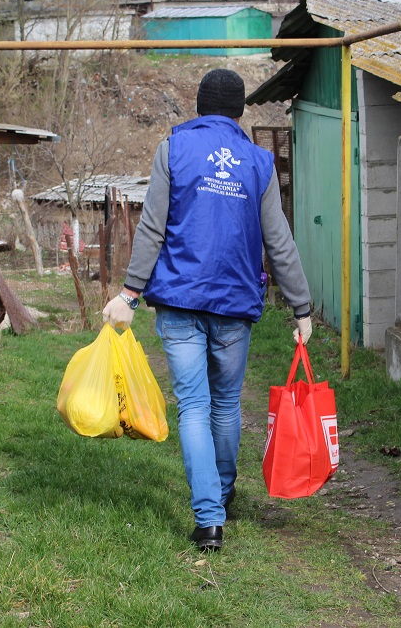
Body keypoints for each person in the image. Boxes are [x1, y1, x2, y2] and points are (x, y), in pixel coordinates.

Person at [102, 68, 312, 552]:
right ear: (240, 110)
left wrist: (130, 294)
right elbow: (278, 241)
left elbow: (152, 228)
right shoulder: (259, 164)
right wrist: (301, 308)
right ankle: (222, 492)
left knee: (194, 407)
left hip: (177, 301)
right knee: (225, 405)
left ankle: (209, 519)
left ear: (198, 106)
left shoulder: (173, 150)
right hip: (235, 306)